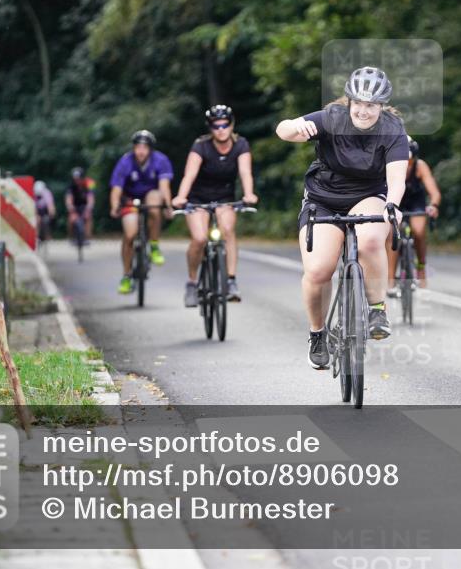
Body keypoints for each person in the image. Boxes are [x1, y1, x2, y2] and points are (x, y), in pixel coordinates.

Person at [276, 66, 408, 370]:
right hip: (322, 199)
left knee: (371, 239)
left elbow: (396, 178)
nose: (363, 111)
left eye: (371, 105)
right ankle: (317, 334)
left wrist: (392, 205)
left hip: (368, 196)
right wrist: (295, 125)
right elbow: (283, 130)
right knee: (318, 271)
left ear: (382, 105)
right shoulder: (331, 118)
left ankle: (377, 310)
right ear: (349, 101)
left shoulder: (392, 129)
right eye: (358, 103)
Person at [172, 104, 258, 305]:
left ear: (231, 125)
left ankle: (231, 281)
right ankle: (192, 283)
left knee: (228, 231)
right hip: (198, 199)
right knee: (200, 238)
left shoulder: (241, 145)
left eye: (224, 125)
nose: (220, 129)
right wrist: (181, 197)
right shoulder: (200, 146)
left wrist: (249, 194)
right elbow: (189, 175)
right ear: (210, 127)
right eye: (215, 126)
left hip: (225, 198)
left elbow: (245, 172)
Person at [108, 130, 174, 294]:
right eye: (138, 147)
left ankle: (154, 245)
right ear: (133, 148)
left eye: (145, 147)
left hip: (151, 196)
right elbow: (116, 189)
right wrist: (115, 206)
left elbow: (164, 187)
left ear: (150, 149)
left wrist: (168, 206)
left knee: (155, 203)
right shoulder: (125, 162)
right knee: (130, 234)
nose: (141, 151)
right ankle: (126, 275)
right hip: (130, 199)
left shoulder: (160, 160)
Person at [387, 137, 441, 295]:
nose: (406, 165)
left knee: (419, 231)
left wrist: (433, 205)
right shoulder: (387, 165)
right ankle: (390, 279)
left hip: (415, 203)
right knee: (393, 235)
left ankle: (421, 267)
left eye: (410, 161)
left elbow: (434, 192)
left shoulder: (420, 166)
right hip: (395, 202)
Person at [64, 167, 95, 242]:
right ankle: (71, 236)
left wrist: (89, 208)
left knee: (88, 217)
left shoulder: (90, 183)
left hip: (85, 204)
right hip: (75, 205)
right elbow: (68, 198)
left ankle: (87, 237)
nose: (77, 181)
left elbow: (91, 197)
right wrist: (70, 207)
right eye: (75, 179)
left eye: (78, 179)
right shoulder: (70, 185)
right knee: (71, 219)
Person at [34, 180, 56, 244]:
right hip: (37, 210)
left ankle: (48, 235)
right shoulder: (33, 193)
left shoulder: (47, 193)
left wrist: (51, 214)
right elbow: (33, 207)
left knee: (47, 220)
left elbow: (50, 205)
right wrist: (36, 215)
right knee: (37, 221)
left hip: (45, 210)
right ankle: (36, 237)